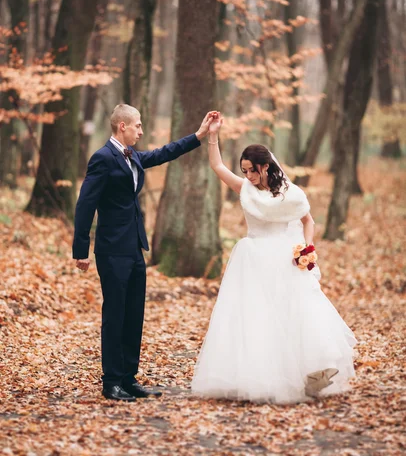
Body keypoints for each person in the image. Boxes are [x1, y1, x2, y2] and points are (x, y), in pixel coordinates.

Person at [191, 114, 356, 403]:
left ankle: (311, 373)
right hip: (253, 258)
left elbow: (308, 220)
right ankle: (260, 377)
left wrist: (308, 248)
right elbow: (217, 166)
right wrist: (213, 136)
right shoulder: (245, 189)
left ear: (265, 166)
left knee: (298, 313)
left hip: (284, 259)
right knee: (257, 318)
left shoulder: (290, 194)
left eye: (252, 171)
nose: (247, 176)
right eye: (243, 171)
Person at [73, 104, 216, 402]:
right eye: (137, 125)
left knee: (134, 313)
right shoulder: (102, 158)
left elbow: (164, 153)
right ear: (122, 126)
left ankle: (128, 378)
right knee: (115, 314)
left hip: (135, 249)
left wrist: (199, 136)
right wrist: (81, 249)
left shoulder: (133, 156)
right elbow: (86, 204)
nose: (141, 130)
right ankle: (111, 381)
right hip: (112, 251)